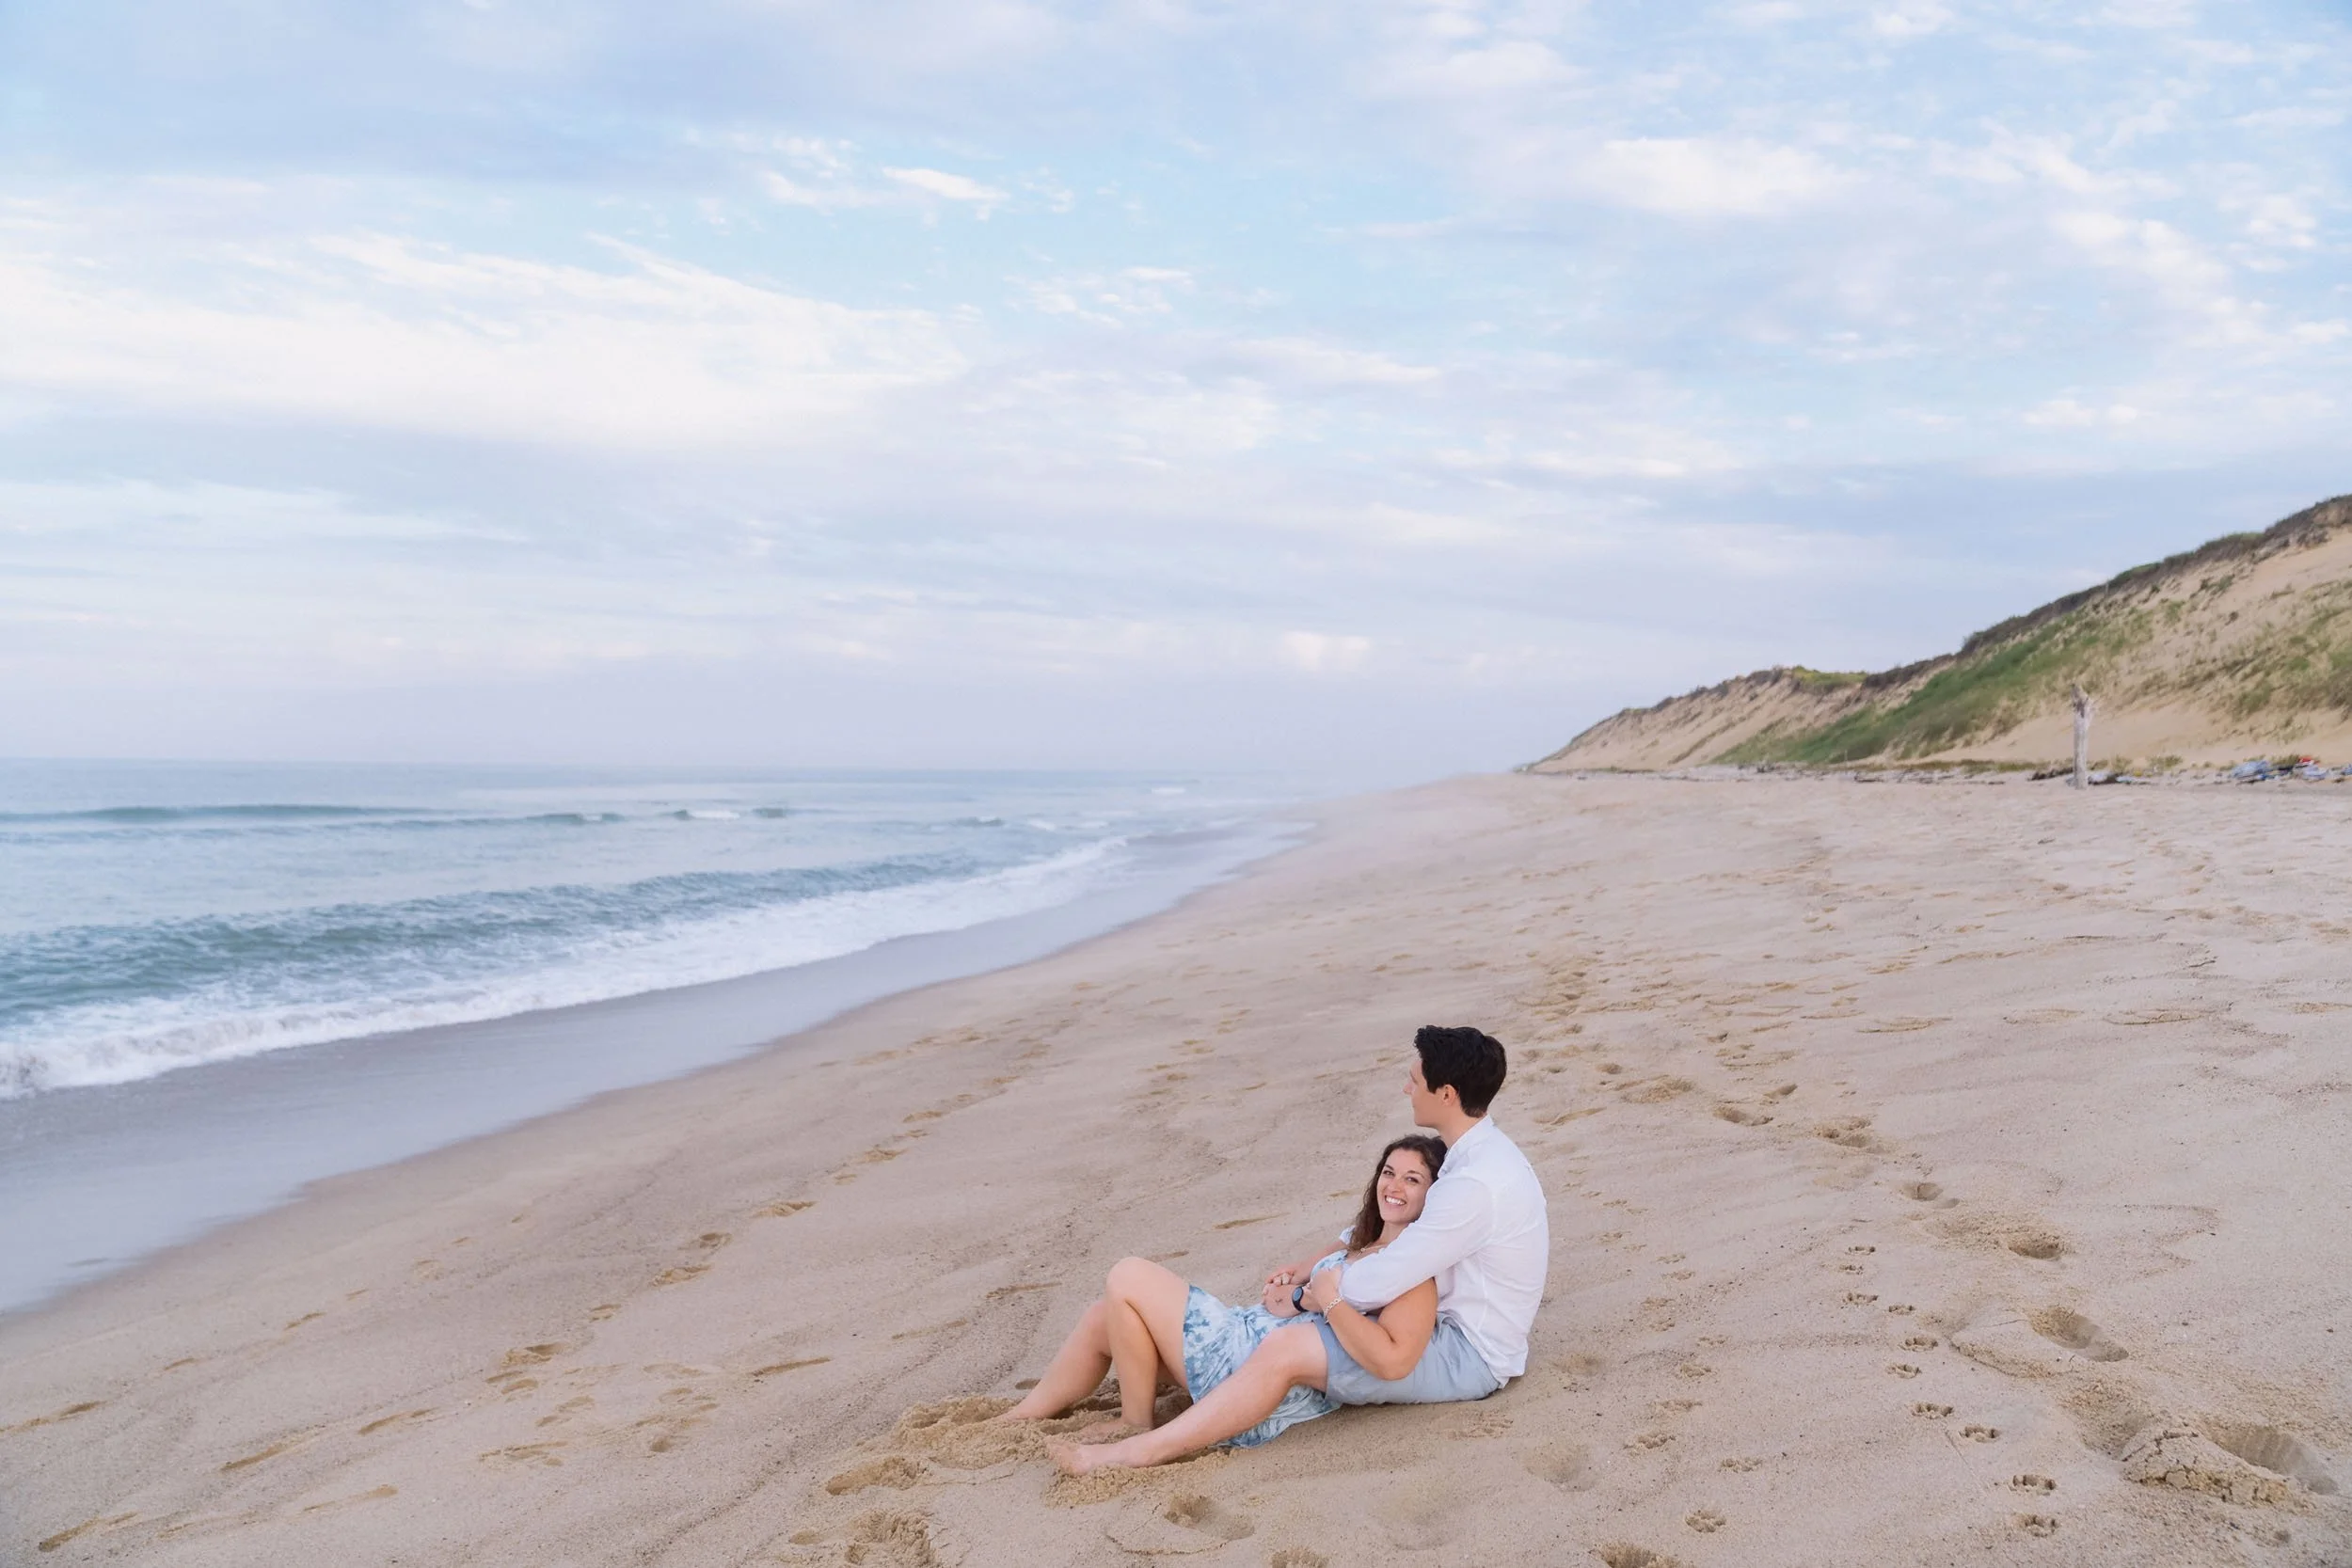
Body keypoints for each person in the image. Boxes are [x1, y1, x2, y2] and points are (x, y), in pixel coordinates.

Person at [1052, 1023, 1548, 1475]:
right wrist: (1315, 1263)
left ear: (1446, 1094)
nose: (1406, 1088)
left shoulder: (1474, 1184)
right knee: (1126, 1322)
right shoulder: (1479, 1159)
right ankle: (1056, 1416)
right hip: (1469, 1329)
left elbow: (1383, 1276)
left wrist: (1304, 1296)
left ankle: (1141, 1449)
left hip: (1470, 1352)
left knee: (1287, 1346)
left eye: (1414, 1080)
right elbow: (1380, 1232)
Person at [998, 1133, 1449, 1449]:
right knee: (1104, 1316)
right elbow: (1282, 1288)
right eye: (1389, 1173)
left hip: (1258, 1368)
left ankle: (1135, 1422)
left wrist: (1324, 1301)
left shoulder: (1412, 1270)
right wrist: (1299, 1296)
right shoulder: (1358, 1238)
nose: (1394, 1186)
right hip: (1244, 1329)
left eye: (1413, 1179)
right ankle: (1022, 1416)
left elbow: (1392, 1357)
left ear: (1434, 1194)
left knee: (1128, 1274)